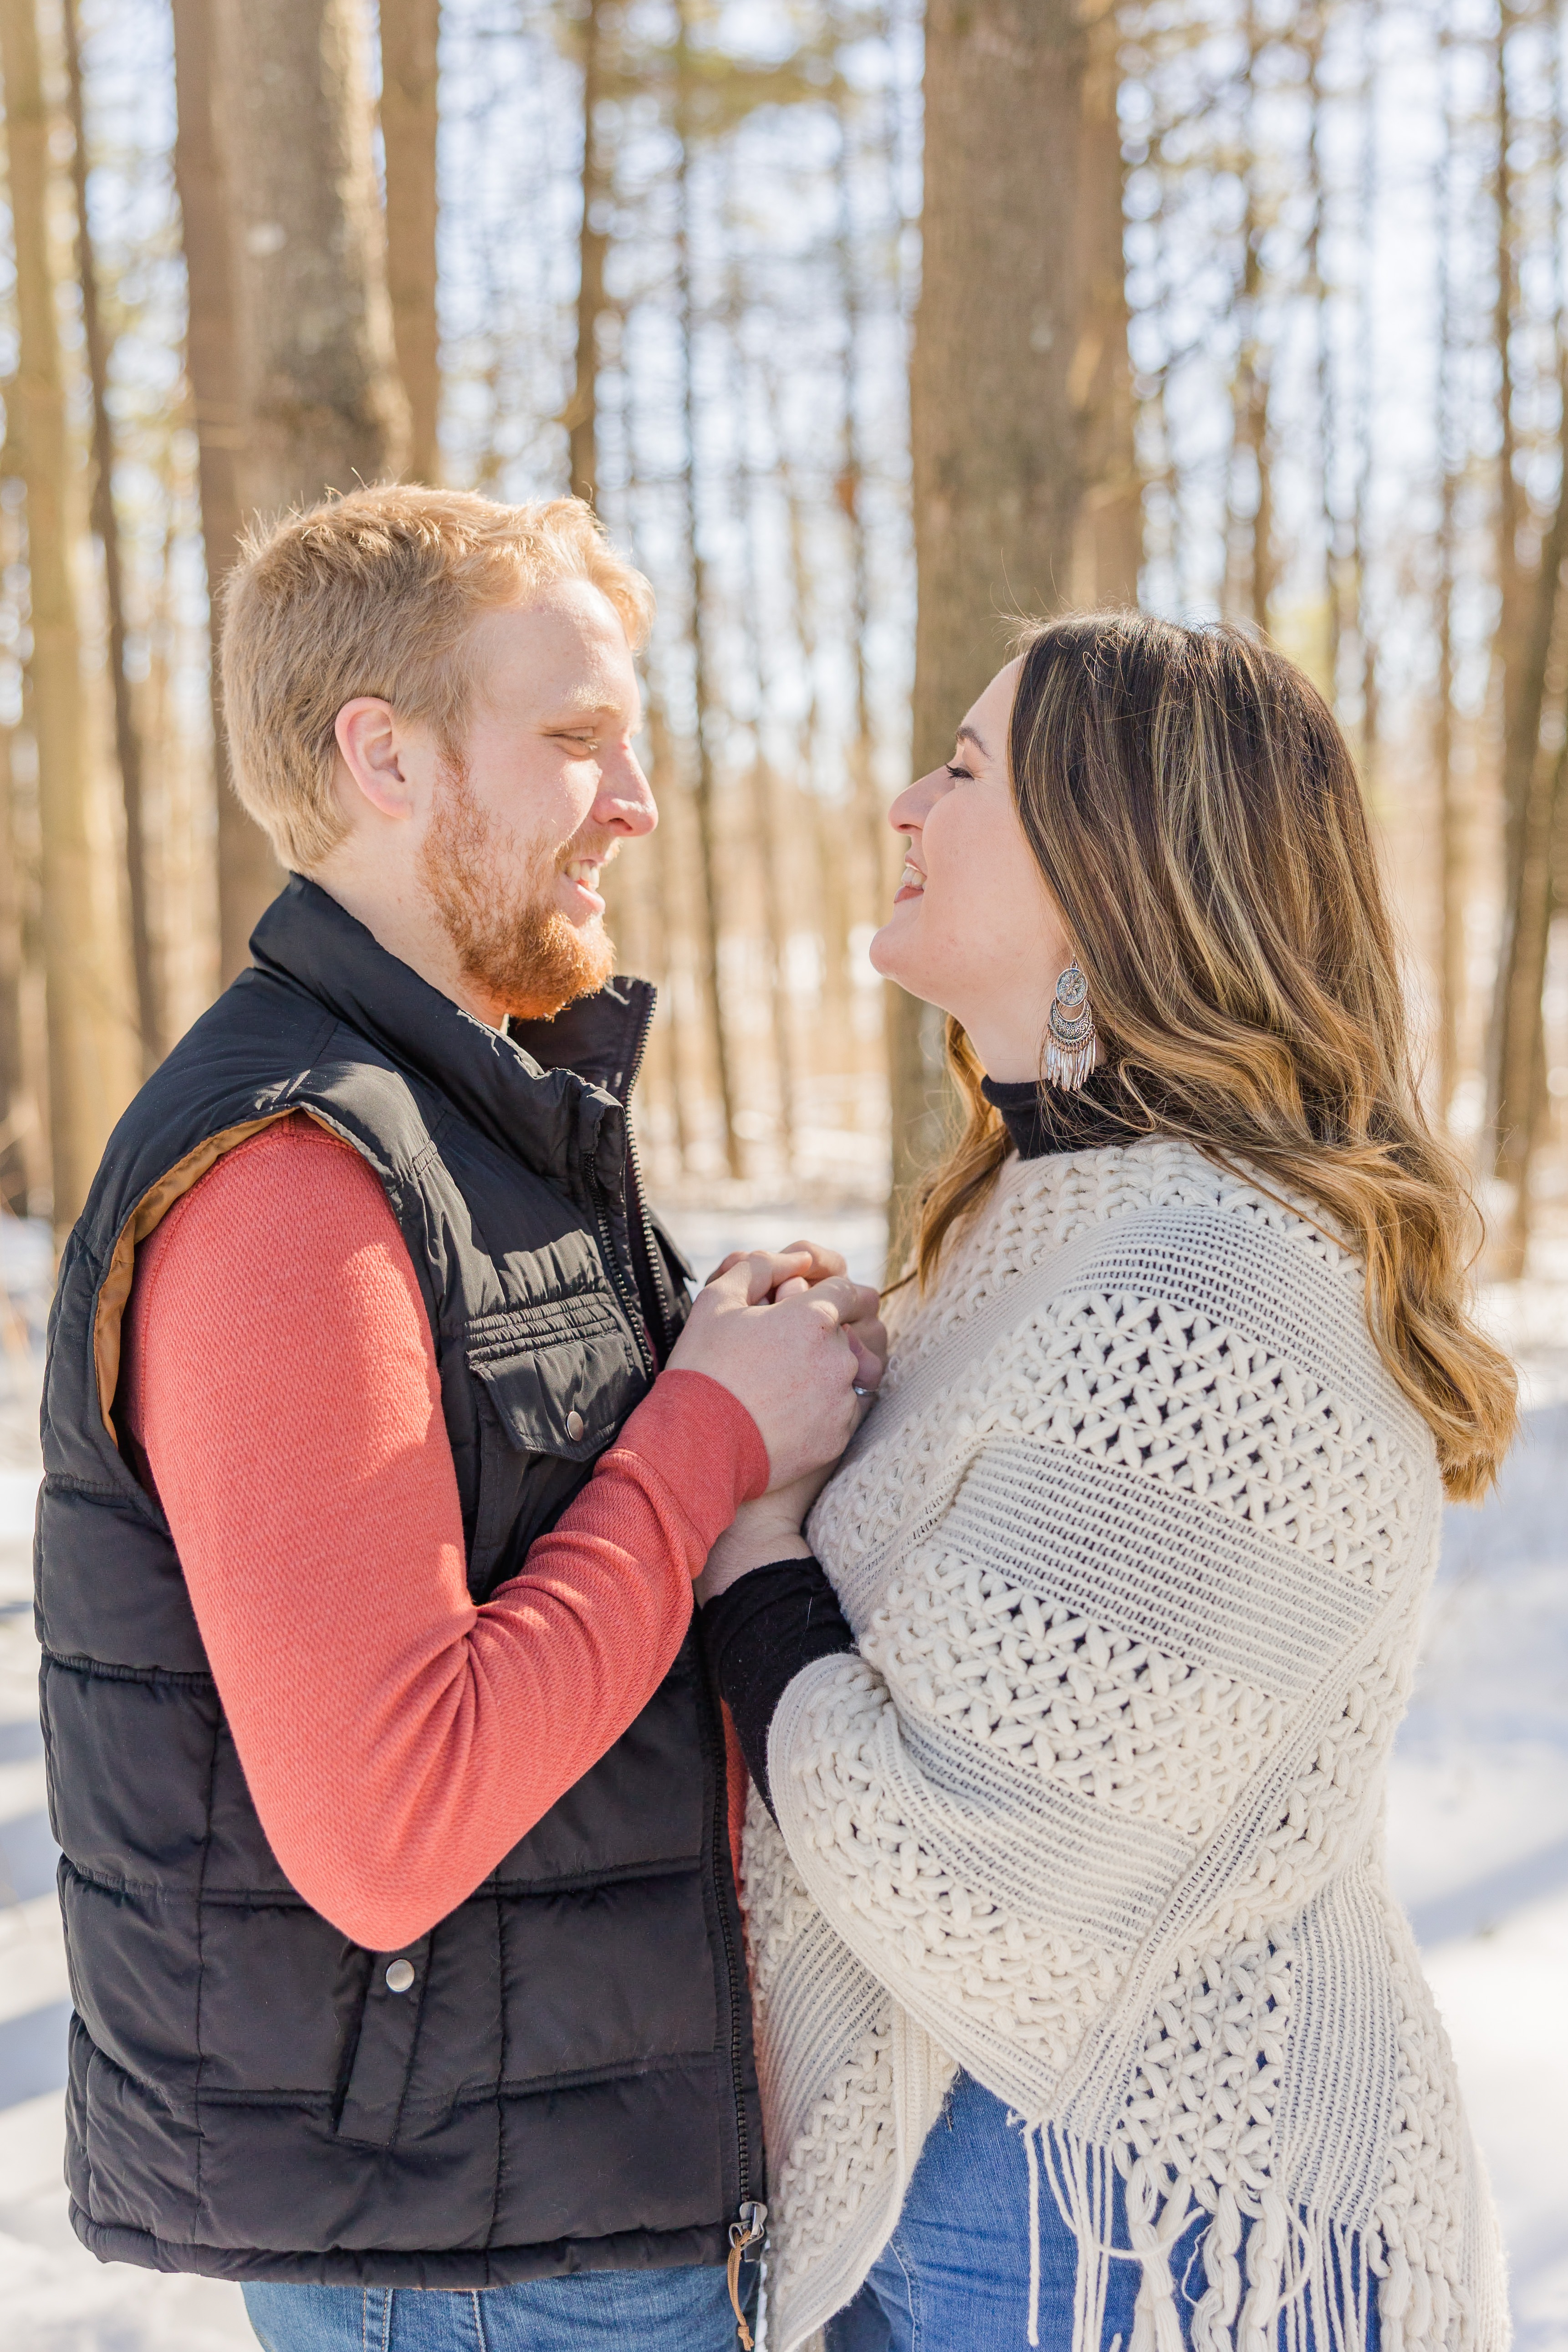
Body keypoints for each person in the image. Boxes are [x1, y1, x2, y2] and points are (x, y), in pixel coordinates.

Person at [35, 486, 886, 2352]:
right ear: (387, 758)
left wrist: (727, 1370)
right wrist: (706, 1441)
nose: (637, 804)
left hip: (576, 2201)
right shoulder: (289, 1179)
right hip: (482, 2271)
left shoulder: (479, 1113)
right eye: (576, 740)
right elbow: (390, 1819)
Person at [700, 616, 1516, 2352]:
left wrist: (749, 1538)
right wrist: (826, 1403)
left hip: (1136, 2226)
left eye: (967, 768)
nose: (906, 800)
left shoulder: (1206, 1289)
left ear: (1112, 865)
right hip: (965, 2193)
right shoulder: (1047, 1217)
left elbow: (976, 1887)